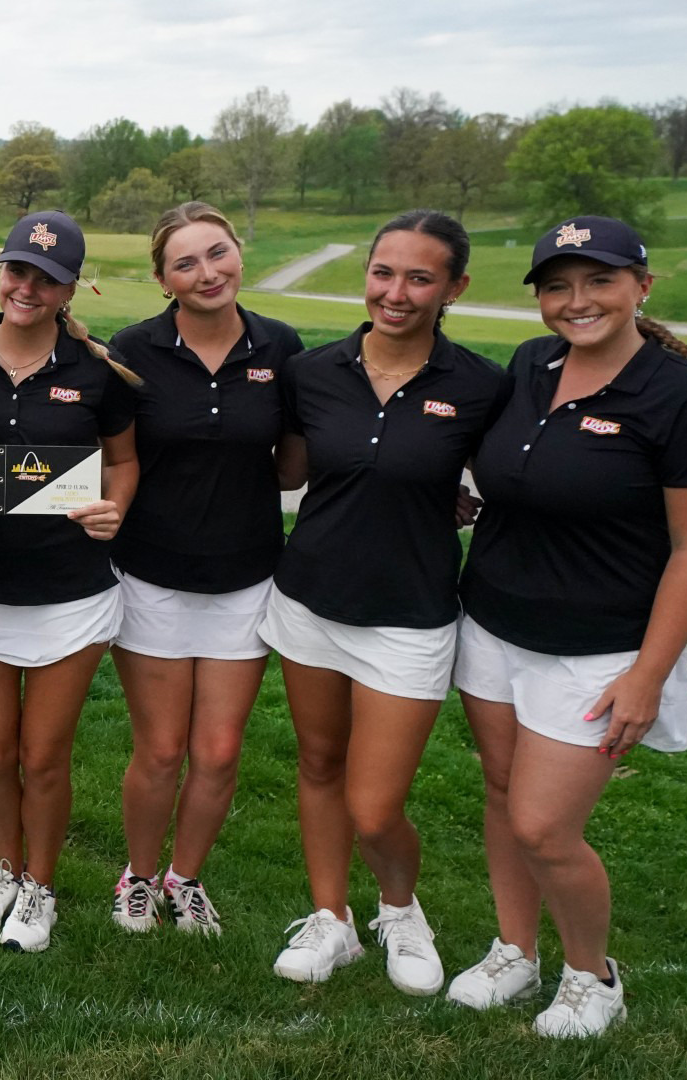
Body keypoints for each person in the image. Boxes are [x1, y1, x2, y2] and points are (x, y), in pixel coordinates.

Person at [447, 216, 687, 1037]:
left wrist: (648, 674)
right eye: (558, 285)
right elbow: (510, 467)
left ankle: (593, 974)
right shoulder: (531, 364)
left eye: (599, 281)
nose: (577, 301)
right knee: (505, 798)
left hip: (601, 648)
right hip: (495, 623)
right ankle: (516, 949)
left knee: (545, 825)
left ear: (641, 287)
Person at [264, 210, 507, 995]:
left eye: (419, 277)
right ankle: (331, 919)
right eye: (382, 272)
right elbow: (292, 474)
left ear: (454, 288)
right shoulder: (314, 371)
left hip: (410, 614)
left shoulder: (479, 385)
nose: (395, 293)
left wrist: (455, 499)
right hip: (309, 600)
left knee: (374, 806)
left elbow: (517, 482)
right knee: (319, 763)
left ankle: (400, 911)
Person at [0, 211, 139, 952]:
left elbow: (120, 460)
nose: (26, 287)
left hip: (73, 590)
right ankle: (4, 867)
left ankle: (41, 886)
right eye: (17, 270)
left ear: (71, 287)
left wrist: (116, 507)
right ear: (1, 273)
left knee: (42, 755)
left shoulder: (98, 369)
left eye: (46, 278)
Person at [104, 202, 303, 936]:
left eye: (217, 253)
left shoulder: (281, 346)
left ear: (238, 254)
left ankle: (185, 878)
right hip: (151, 573)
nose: (207, 271)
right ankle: (139, 875)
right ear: (163, 279)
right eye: (185, 262)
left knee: (217, 751)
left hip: (247, 578)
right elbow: (110, 457)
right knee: (159, 749)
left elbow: (294, 466)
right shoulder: (133, 349)